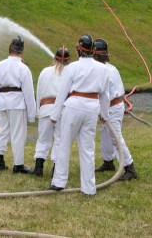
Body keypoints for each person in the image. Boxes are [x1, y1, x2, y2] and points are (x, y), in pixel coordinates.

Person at [49, 34, 110, 196]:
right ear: (92, 50)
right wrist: (105, 115)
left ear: (78, 49)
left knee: (64, 144)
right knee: (88, 148)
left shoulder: (72, 68)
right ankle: (89, 188)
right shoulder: (103, 69)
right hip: (92, 108)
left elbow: (62, 93)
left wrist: (55, 115)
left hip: (73, 106)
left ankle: (59, 182)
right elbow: (105, 95)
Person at [0, 36, 36, 174]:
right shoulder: (23, 68)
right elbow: (29, 93)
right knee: (17, 134)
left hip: (1, 102)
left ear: (10, 48)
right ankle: (18, 165)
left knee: (2, 131)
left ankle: (0, 161)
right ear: (22, 51)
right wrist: (32, 115)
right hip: (17, 103)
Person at [93, 39, 138, 181]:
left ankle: (130, 167)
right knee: (106, 133)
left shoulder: (103, 71)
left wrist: (104, 113)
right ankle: (108, 162)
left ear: (96, 56)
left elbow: (105, 94)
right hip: (113, 105)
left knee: (115, 137)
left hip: (112, 106)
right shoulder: (111, 68)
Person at [33, 47, 71, 177]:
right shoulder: (70, 72)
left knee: (43, 139)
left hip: (45, 107)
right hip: (63, 109)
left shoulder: (44, 71)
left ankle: (39, 166)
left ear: (54, 58)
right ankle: (56, 167)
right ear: (68, 60)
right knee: (59, 139)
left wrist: (38, 110)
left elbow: (38, 92)